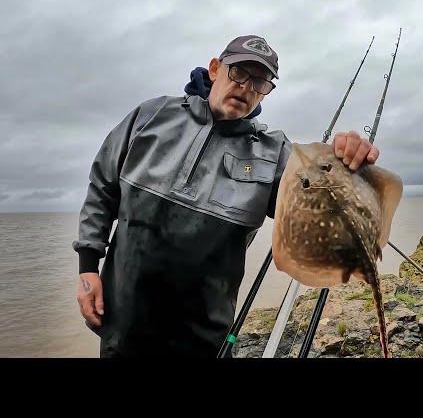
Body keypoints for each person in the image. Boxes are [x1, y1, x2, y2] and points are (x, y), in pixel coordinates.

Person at [73, 35, 380, 357]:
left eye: (260, 82)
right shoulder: (151, 116)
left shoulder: (275, 153)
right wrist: (88, 268)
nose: (247, 88)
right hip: (123, 317)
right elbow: (102, 188)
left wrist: (352, 164)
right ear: (216, 69)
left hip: (206, 335)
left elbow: (321, 207)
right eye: (239, 73)